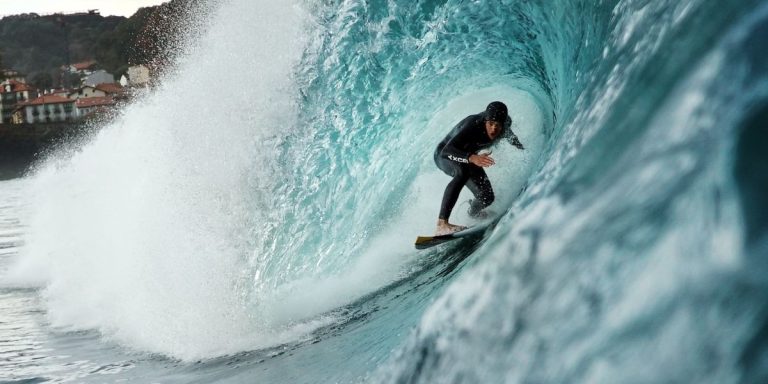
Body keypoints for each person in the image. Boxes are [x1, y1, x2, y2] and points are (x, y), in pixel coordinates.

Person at [434, 101, 525, 235]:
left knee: (487, 197)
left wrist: (523, 149)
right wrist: (472, 157)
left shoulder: (505, 125)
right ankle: (442, 224)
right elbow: (447, 151)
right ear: (485, 121)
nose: (494, 129)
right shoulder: (473, 125)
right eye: (491, 124)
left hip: (468, 157)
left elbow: (511, 137)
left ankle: (474, 214)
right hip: (445, 155)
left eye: (498, 125)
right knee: (462, 172)